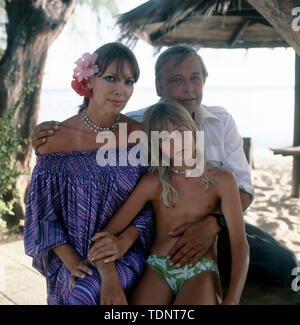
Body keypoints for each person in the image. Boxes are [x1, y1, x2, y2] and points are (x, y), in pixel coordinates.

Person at [31, 44, 299, 288]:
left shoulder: (221, 120)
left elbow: (243, 189)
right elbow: (97, 124)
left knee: (283, 265)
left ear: (204, 81)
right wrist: (49, 135)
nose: (188, 88)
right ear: (158, 86)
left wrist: (212, 225)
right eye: (176, 80)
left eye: (195, 78)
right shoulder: (141, 124)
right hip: (161, 233)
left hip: (220, 222)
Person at [24, 42, 154, 305]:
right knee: (81, 288)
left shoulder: (141, 136)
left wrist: (123, 242)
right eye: (111, 78)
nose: (121, 90)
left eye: (129, 82)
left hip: (125, 250)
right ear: (88, 81)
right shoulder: (54, 140)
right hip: (71, 254)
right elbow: (43, 214)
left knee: (87, 292)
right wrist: (72, 262)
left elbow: (154, 203)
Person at [88, 98, 249, 305]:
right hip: (157, 267)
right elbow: (108, 233)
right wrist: (109, 278)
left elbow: (239, 244)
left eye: (181, 132)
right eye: (165, 139)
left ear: (193, 130)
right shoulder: (153, 183)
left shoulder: (223, 181)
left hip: (200, 270)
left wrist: (233, 299)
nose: (177, 143)